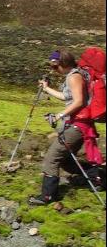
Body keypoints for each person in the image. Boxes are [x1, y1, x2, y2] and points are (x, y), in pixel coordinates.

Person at [29, 49, 92, 204]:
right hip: (78, 124)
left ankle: (47, 196)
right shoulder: (74, 75)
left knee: (52, 157)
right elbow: (66, 97)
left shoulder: (74, 77)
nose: (53, 70)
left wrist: (58, 115)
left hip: (78, 125)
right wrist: (47, 89)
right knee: (65, 160)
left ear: (64, 64)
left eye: (55, 67)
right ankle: (96, 176)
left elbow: (78, 101)